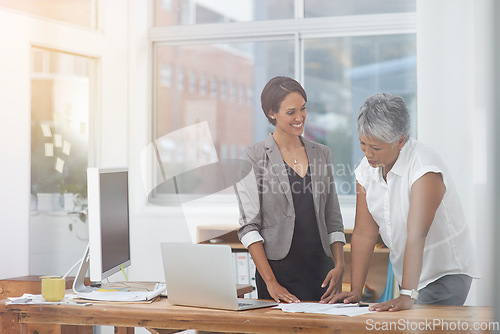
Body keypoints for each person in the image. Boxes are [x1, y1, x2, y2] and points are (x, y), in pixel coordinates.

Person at [326, 93, 477, 311]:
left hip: (443, 274)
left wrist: (407, 294)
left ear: (400, 141)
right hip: (409, 275)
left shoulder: (424, 168)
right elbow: (363, 233)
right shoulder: (367, 169)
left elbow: (417, 234)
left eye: (375, 148)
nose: (368, 154)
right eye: (362, 143)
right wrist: (356, 291)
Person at [235, 76, 346, 303]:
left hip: (322, 272)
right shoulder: (254, 156)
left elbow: (332, 216)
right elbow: (249, 226)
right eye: (291, 112)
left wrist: (340, 265)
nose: (299, 118)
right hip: (278, 273)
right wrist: (271, 282)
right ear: (271, 113)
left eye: (303, 109)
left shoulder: (321, 153)